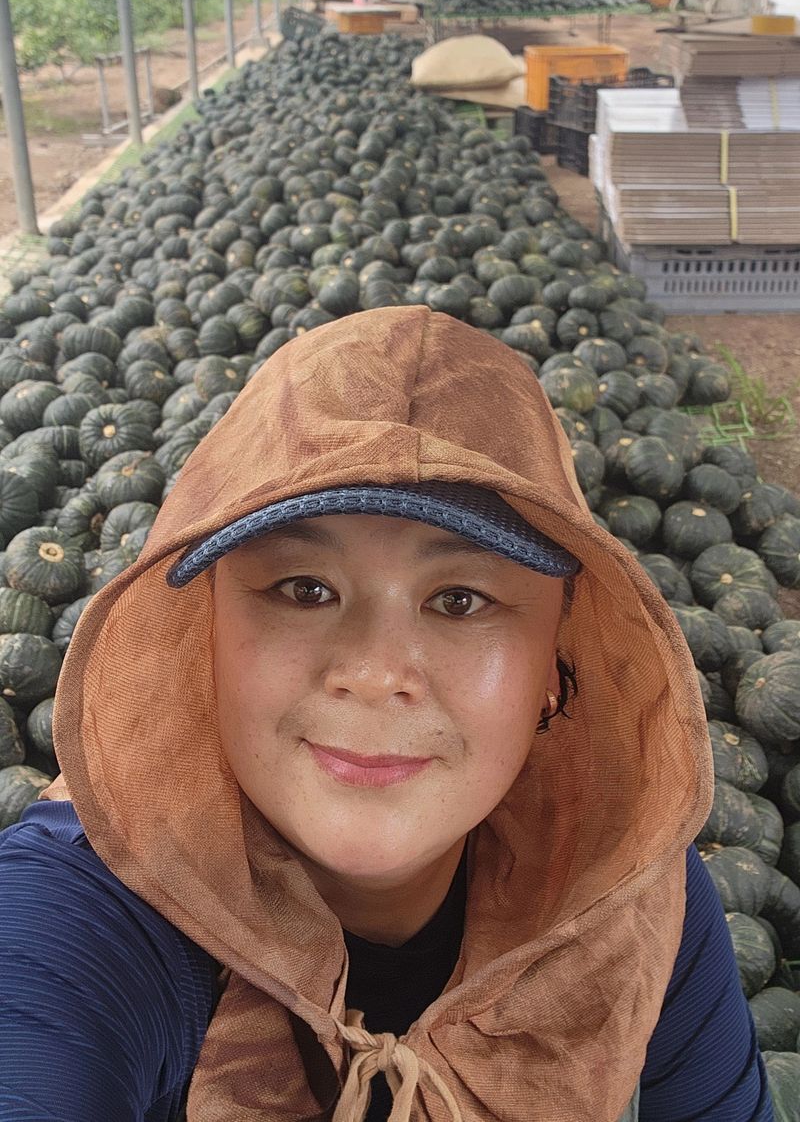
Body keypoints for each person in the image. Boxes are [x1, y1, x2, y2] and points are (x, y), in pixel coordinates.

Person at [0, 305, 773, 1122]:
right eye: (304, 588)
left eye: (460, 598)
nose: (373, 674)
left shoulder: (622, 886)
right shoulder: (92, 911)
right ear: (208, 633)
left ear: (557, 657)